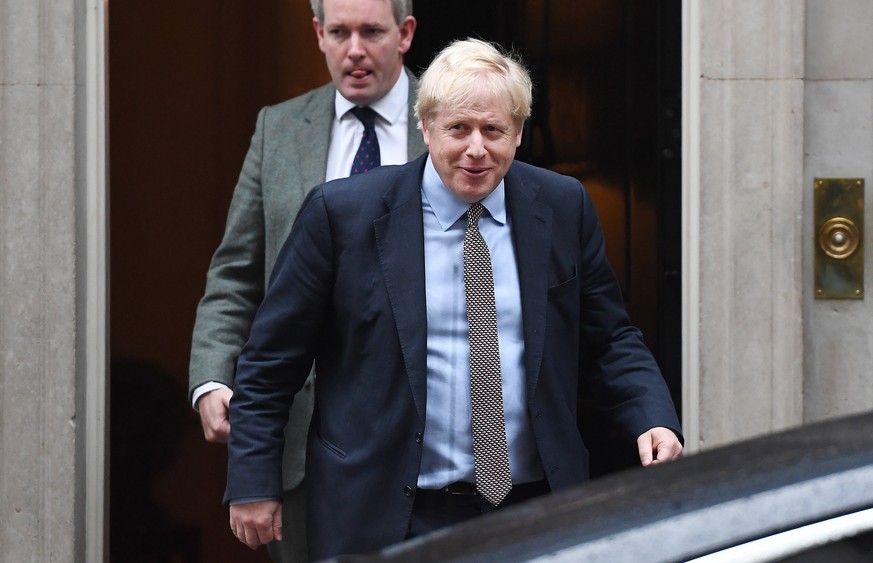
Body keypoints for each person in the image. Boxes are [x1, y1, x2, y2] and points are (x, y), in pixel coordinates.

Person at [225, 38, 684, 560]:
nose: (476, 149)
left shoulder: (562, 207)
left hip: (532, 509)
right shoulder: (343, 215)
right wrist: (253, 481)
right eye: (458, 129)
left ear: (517, 133)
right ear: (425, 127)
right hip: (386, 513)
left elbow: (609, 339)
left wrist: (653, 415)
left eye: (493, 130)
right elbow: (272, 359)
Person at [188, 1, 422, 561]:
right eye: (339, 33)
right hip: (301, 438)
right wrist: (213, 377)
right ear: (318, 34)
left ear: (406, 33)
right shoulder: (279, 128)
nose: (355, 50)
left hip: (421, 442)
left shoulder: (451, 124)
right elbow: (237, 275)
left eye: (372, 32)